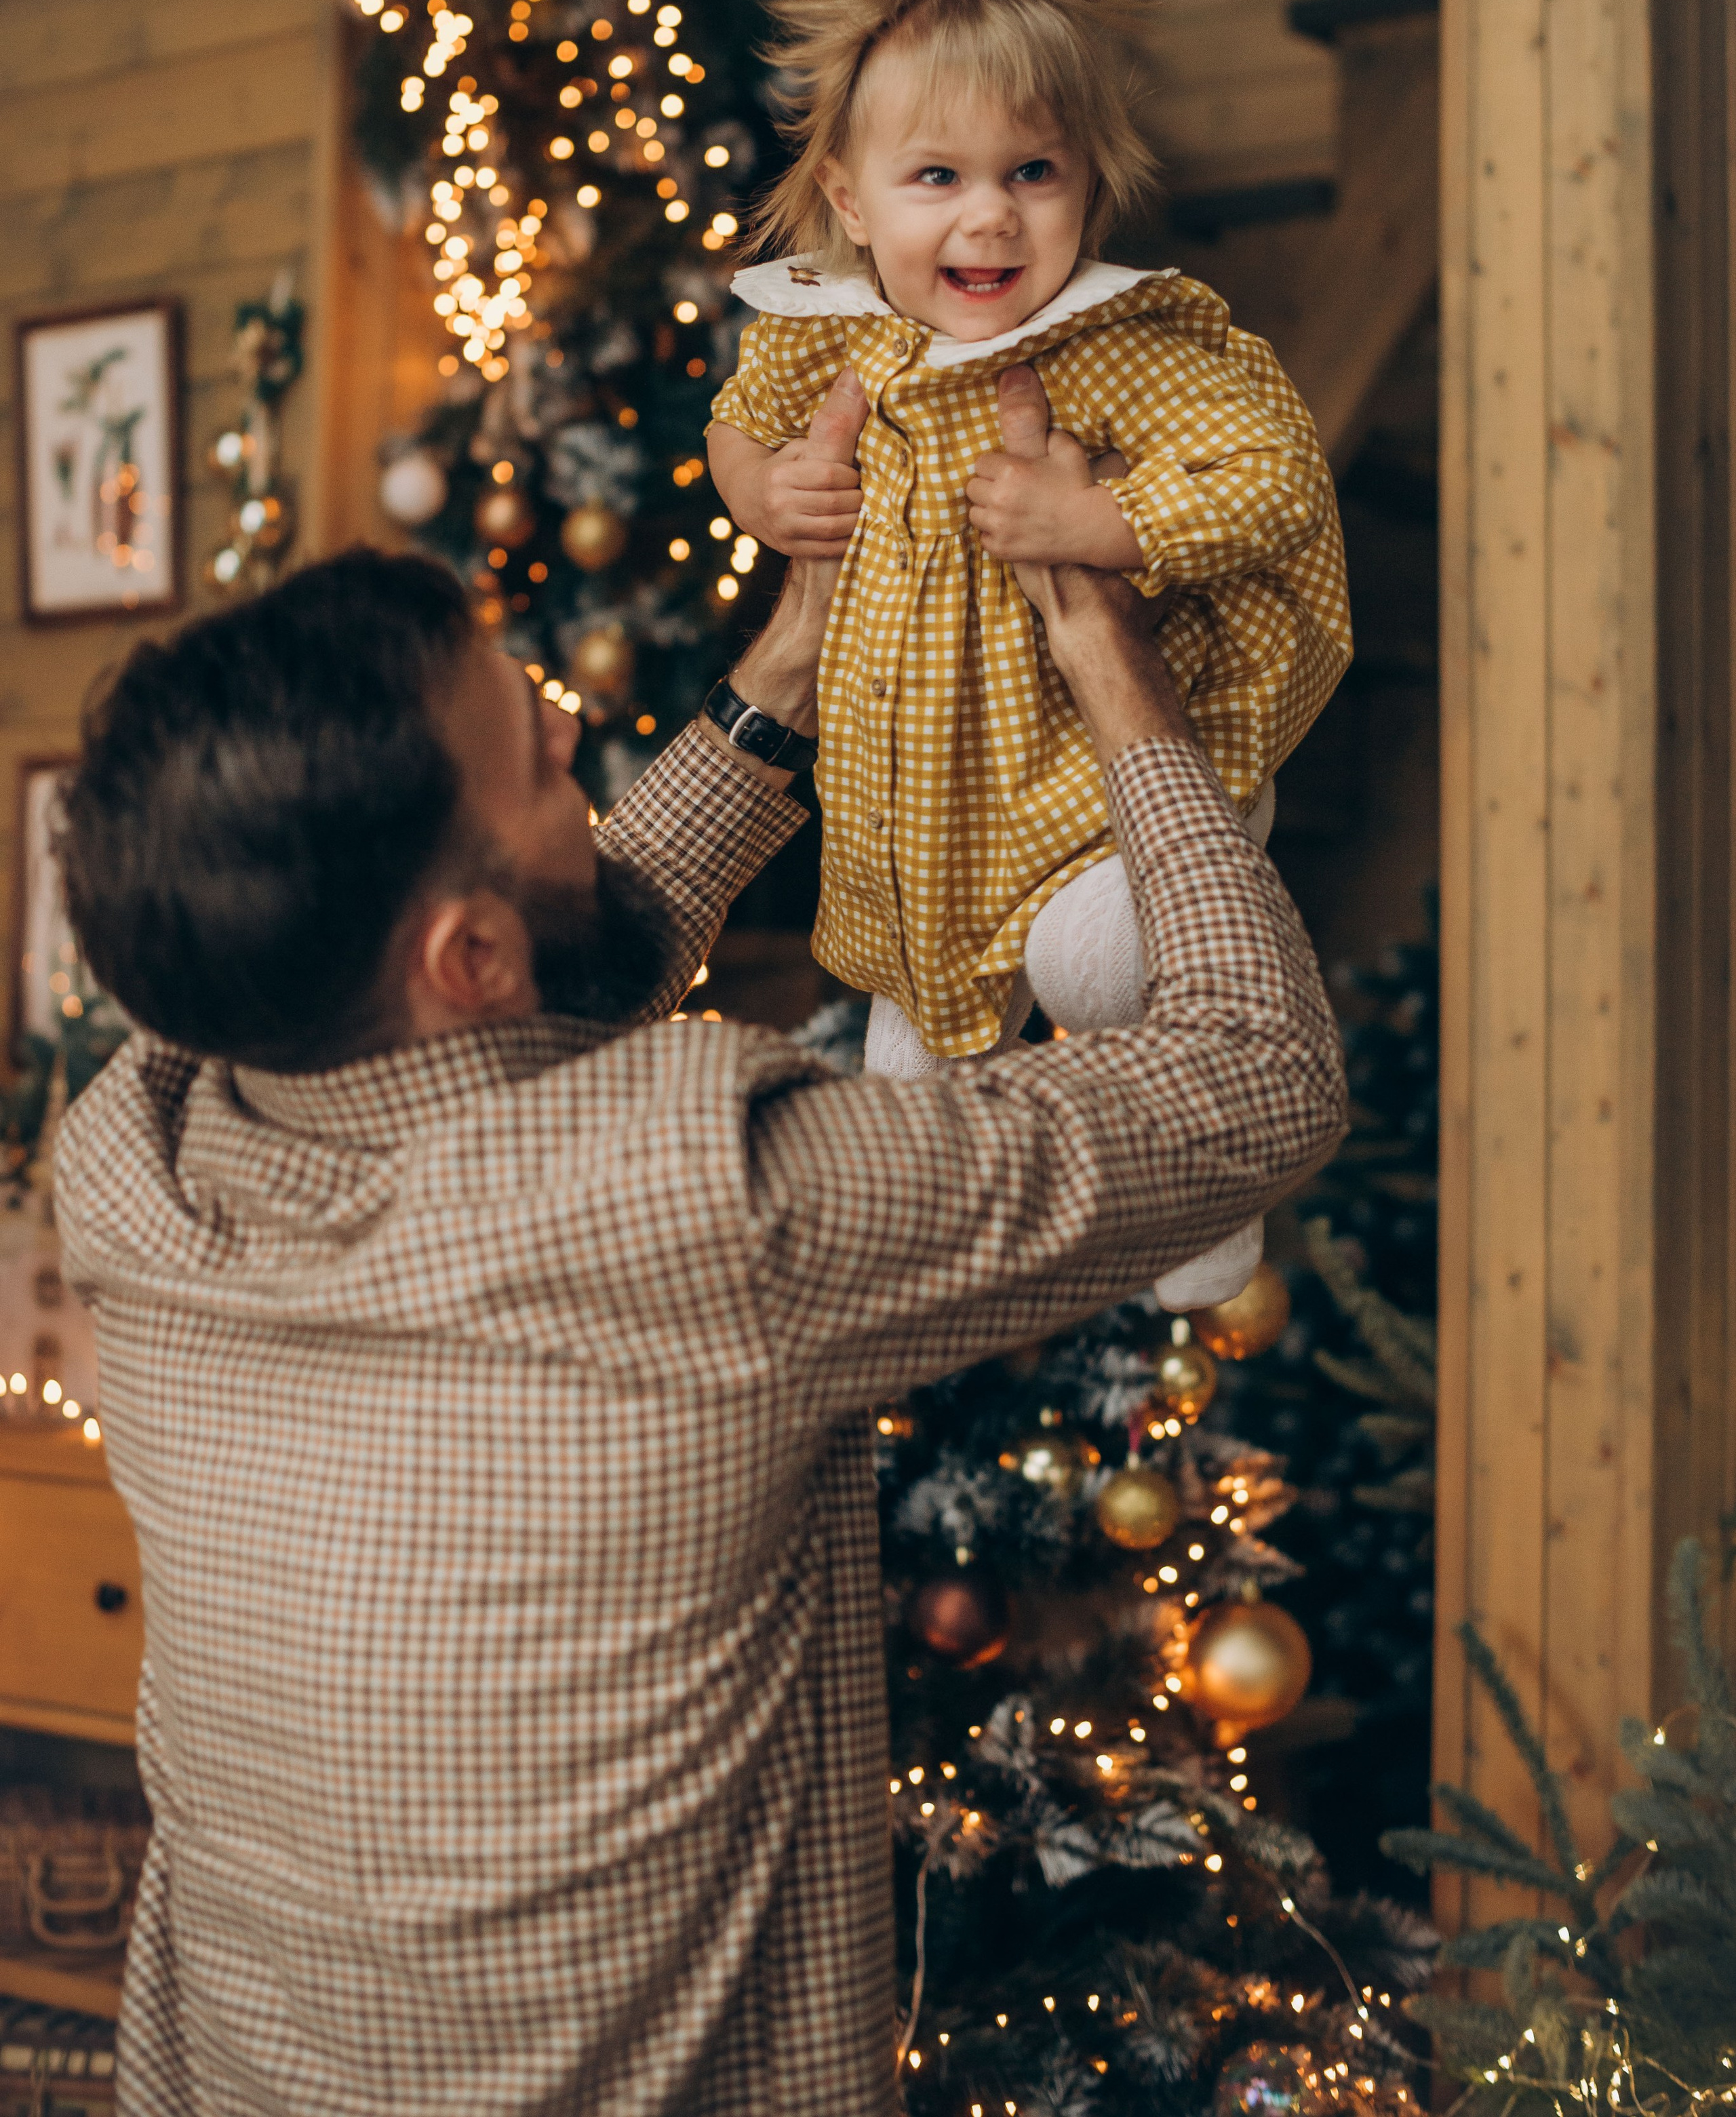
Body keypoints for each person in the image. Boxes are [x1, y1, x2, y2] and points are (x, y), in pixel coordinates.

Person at [52, 418, 1345, 2114]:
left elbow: (515, 1005)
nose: (578, 724)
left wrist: (784, 661)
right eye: (537, 747)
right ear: (465, 949)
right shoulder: (718, 1210)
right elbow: (1258, 1068)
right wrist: (1108, 657)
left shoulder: (130, 1149)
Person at [707, 0, 1352, 1122]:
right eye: (936, 175)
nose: (991, 214)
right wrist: (759, 493)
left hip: (1089, 779)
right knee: (910, 1075)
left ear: (1089, 187)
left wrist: (1100, 516)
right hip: (922, 802)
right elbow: (740, 414)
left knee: (1100, 963)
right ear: (851, 201)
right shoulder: (827, 329)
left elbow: (1275, 471)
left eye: (1034, 172)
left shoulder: (1109, 342)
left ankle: (1209, 1197)